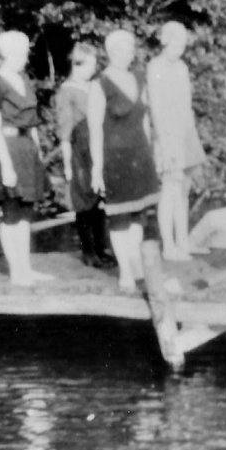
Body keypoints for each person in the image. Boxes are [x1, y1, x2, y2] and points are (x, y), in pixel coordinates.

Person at [88, 29, 160, 291]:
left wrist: (153, 150)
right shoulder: (100, 84)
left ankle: (136, 264)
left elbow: (145, 119)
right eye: (120, 50)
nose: (126, 55)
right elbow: (95, 128)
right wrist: (97, 167)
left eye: (129, 50)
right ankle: (126, 272)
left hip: (139, 153)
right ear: (109, 53)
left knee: (139, 213)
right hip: (114, 156)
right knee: (120, 216)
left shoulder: (139, 78)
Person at [0, 30, 54, 286]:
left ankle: (26, 267)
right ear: (8, 53)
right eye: (22, 53)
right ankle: (16, 271)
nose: (25, 58)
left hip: (26, 147)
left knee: (26, 212)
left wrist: (37, 151)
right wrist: (5, 164)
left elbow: (32, 120)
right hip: (8, 147)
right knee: (11, 212)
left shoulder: (23, 77)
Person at [147, 21, 207, 261]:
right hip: (166, 135)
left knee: (183, 191)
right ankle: (169, 245)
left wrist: (191, 139)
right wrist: (165, 143)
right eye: (175, 45)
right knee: (169, 191)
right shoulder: (155, 66)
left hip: (184, 134)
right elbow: (156, 107)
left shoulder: (182, 67)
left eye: (182, 46)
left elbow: (186, 104)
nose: (179, 51)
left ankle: (183, 242)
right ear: (165, 42)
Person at [55, 42, 113, 269]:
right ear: (77, 64)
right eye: (90, 64)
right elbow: (65, 130)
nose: (94, 68)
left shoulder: (93, 87)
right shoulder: (67, 91)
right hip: (80, 151)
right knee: (84, 202)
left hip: (98, 148)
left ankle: (102, 248)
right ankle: (88, 251)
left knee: (99, 201)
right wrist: (68, 163)